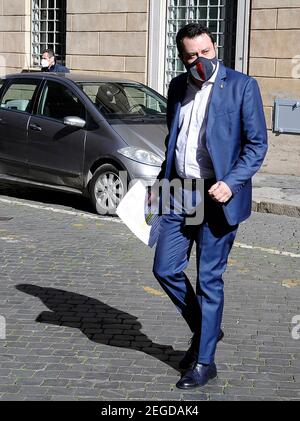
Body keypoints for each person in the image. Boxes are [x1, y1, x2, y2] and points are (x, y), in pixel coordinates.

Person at [151, 23, 268, 389]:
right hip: (178, 191)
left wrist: (230, 183)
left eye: (205, 52)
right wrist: (157, 188)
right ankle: (208, 330)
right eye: (191, 56)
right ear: (181, 57)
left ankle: (204, 362)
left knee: (209, 280)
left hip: (216, 195)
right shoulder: (176, 87)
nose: (199, 60)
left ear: (214, 47)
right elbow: (175, 139)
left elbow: (256, 145)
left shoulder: (241, 86)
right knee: (165, 268)